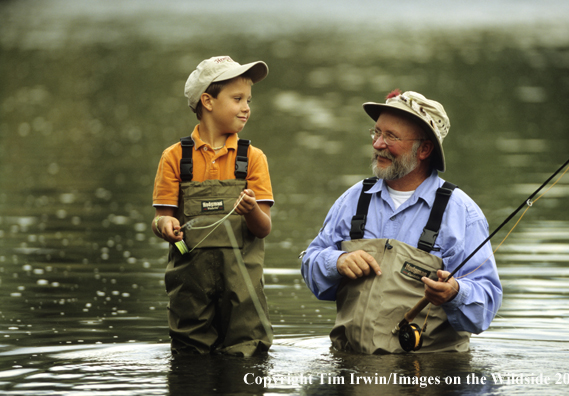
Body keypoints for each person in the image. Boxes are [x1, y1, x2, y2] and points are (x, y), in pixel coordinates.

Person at [301, 89, 502, 353]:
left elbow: (484, 309)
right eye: (376, 132)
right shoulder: (352, 199)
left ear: (425, 149)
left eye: (391, 137)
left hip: (430, 376)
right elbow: (311, 264)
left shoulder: (462, 212)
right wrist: (336, 262)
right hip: (349, 366)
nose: (377, 144)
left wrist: (455, 292)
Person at [151, 55, 274, 356]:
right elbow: (161, 218)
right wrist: (165, 226)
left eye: (248, 99)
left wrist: (252, 210)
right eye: (237, 98)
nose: (246, 107)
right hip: (190, 291)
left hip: (243, 294)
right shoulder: (175, 157)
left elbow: (263, 228)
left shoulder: (253, 158)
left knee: (246, 355)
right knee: (190, 356)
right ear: (207, 101)